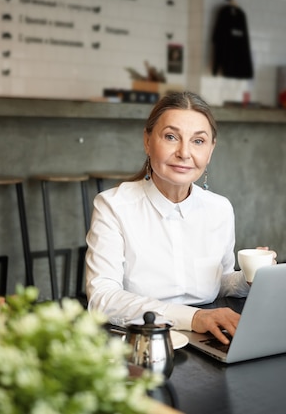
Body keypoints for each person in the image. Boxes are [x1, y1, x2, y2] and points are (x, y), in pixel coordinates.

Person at [85, 91, 275, 344]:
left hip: (209, 335)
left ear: (210, 151)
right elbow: (103, 298)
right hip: (141, 341)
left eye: (198, 141)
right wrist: (194, 318)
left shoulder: (220, 208)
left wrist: (250, 278)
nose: (184, 153)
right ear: (147, 141)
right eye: (171, 137)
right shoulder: (114, 206)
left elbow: (218, 282)